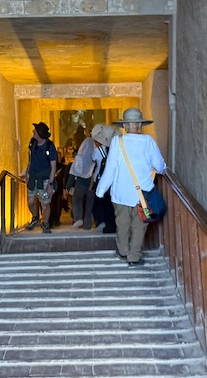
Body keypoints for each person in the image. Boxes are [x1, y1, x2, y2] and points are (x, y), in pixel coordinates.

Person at [92, 107, 166, 265]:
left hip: (121, 194)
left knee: (122, 225)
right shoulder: (148, 142)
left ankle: (123, 251)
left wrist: (100, 191)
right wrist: (160, 169)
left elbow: (110, 169)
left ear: (125, 125)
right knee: (139, 226)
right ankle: (134, 257)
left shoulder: (117, 142)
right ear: (140, 125)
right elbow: (160, 167)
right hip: (142, 196)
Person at [23, 121, 58, 233]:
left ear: (39, 133)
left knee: (45, 204)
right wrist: (26, 173)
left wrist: (50, 184)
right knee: (30, 201)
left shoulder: (49, 147)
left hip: (45, 179)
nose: (33, 131)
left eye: (35, 131)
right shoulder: (32, 143)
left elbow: (53, 166)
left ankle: (46, 223)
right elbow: (30, 160)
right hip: (33, 177)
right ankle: (35, 218)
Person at [68, 125, 105, 228]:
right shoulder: (99, 146)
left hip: (81, 178)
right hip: (92, 179)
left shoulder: (86, 142)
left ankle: (78, 218)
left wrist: (69, 184)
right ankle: (87, 224)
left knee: (77, 200)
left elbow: (77, 164)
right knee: (90, 203)